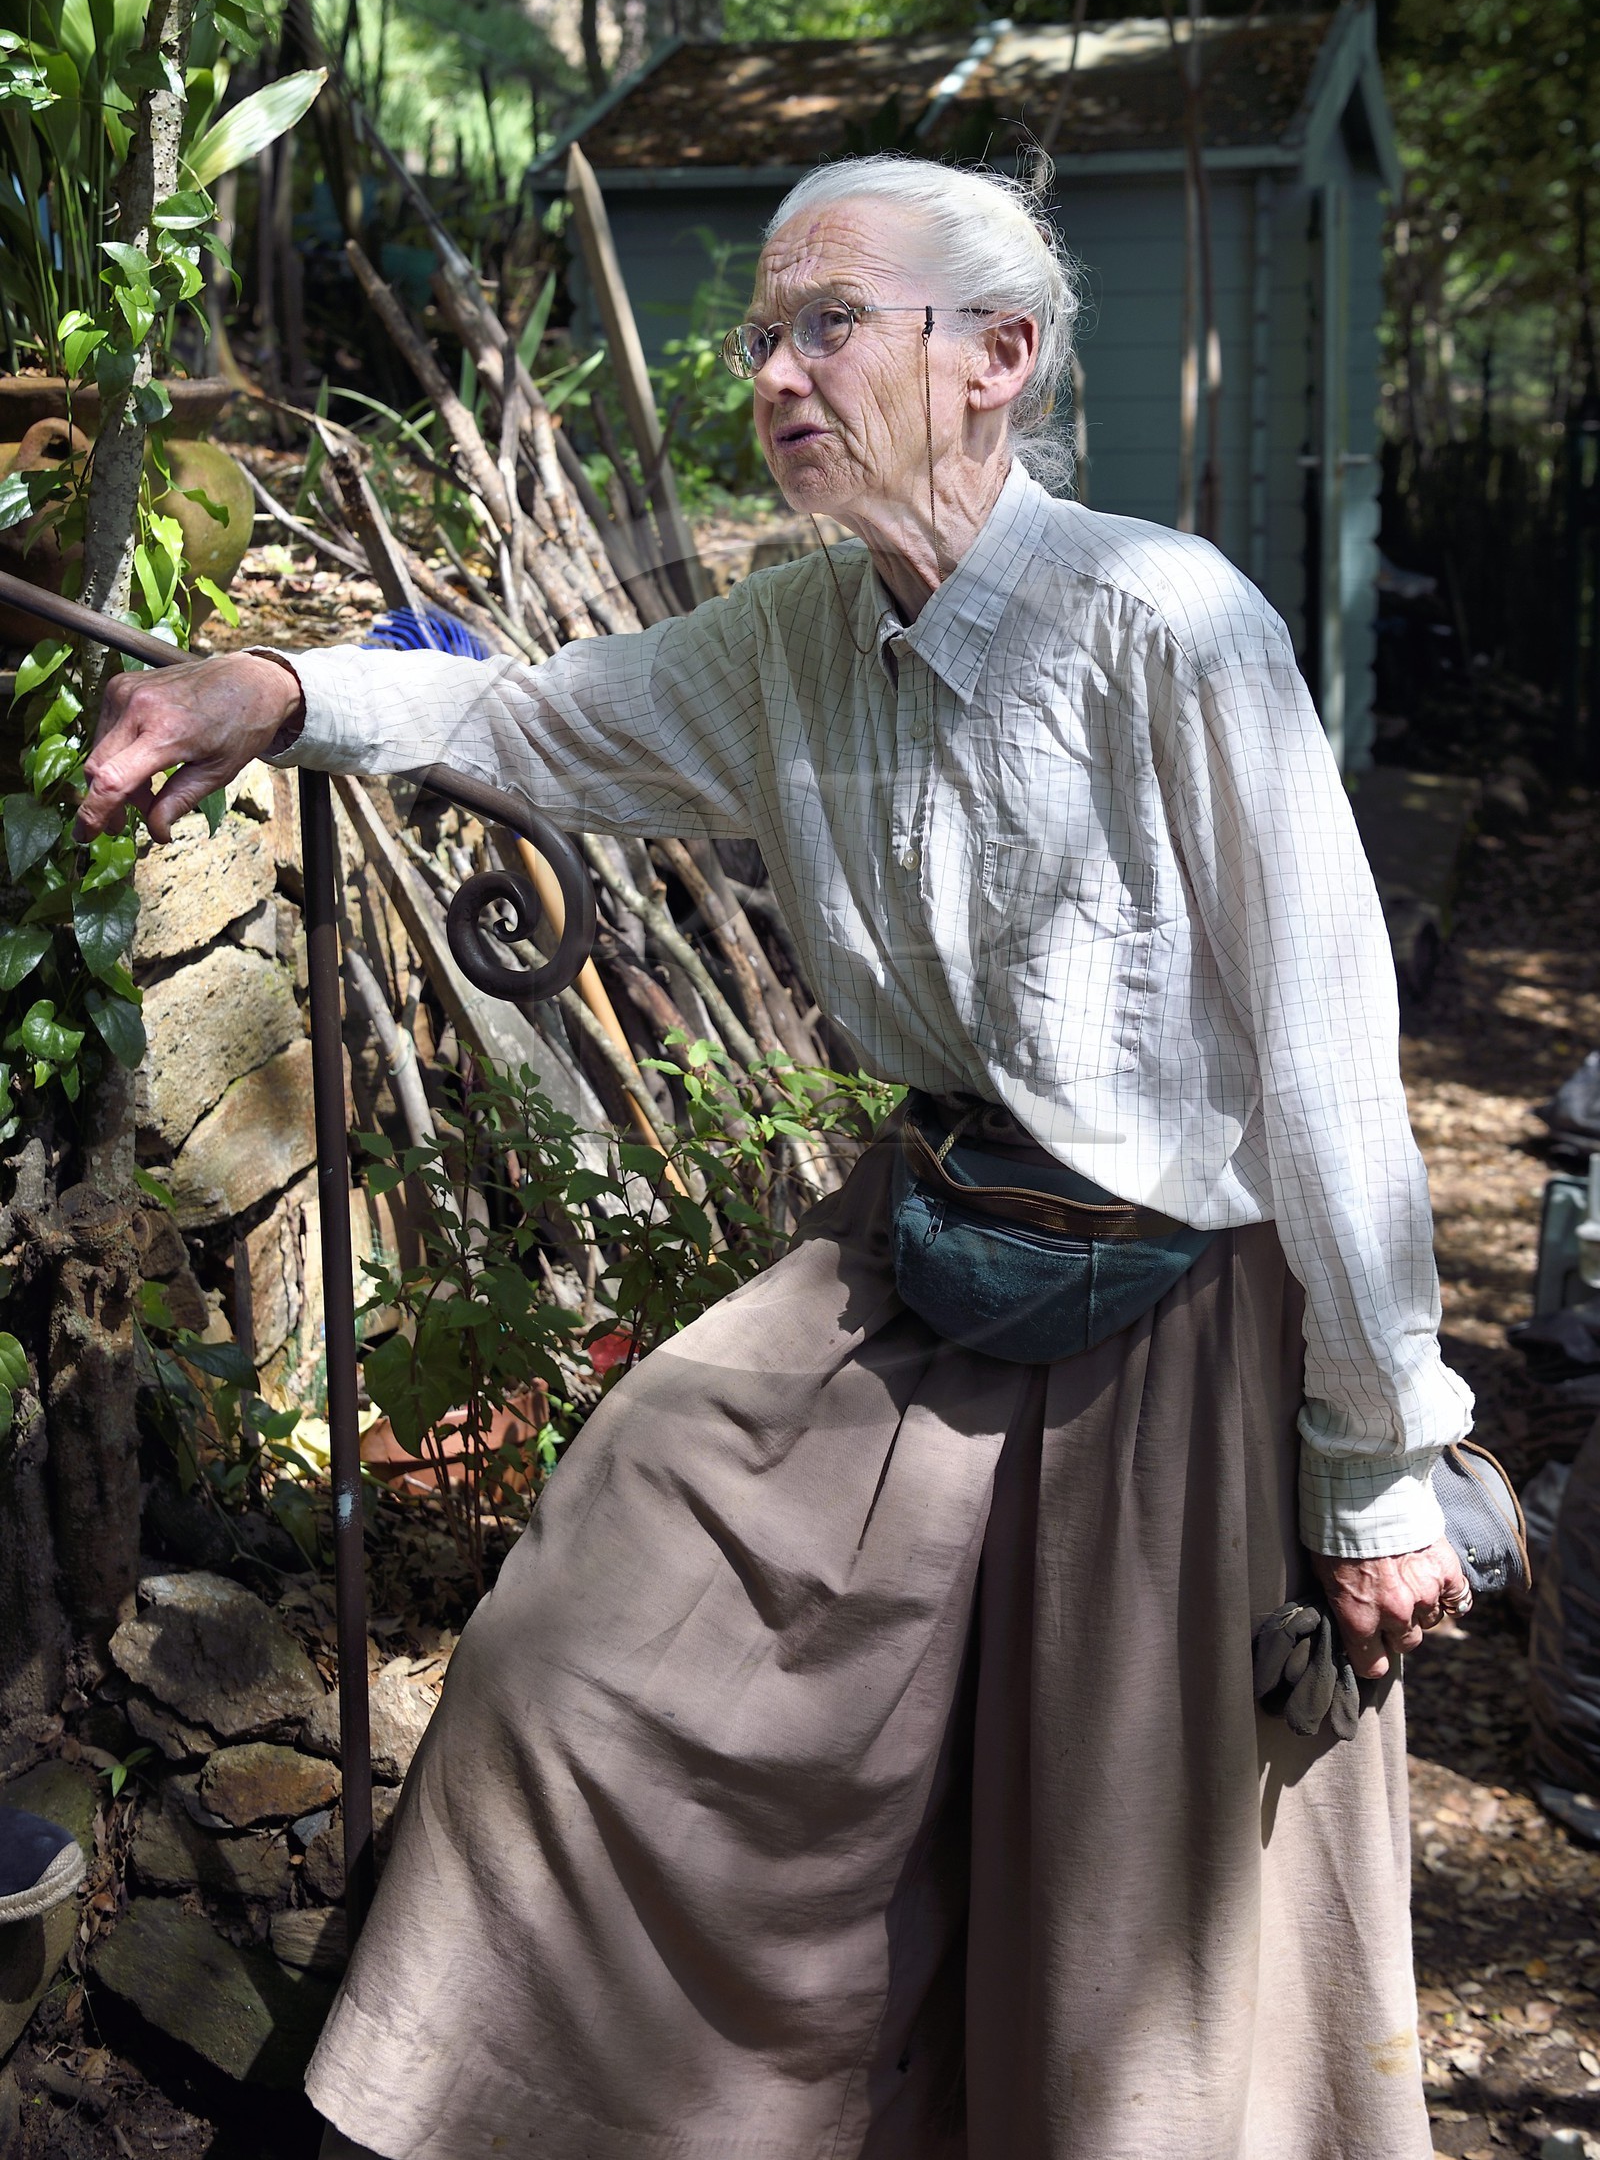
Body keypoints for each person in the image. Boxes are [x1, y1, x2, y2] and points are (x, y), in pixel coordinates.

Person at [77, 154, 1474, 2160]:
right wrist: (277, 686)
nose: (774, 372)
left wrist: (1372, 1476)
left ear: (995, 358)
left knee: (1118, 1893)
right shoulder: (789, 636)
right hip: (918, 1257)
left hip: (1176, 1325)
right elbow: (534, 721)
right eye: (758, 336)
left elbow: (1331, 1065)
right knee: (603, 1616)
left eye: (829, 322)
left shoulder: (1166, 627)